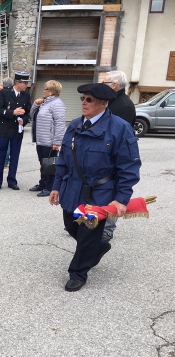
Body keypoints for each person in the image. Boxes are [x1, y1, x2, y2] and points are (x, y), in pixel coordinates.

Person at [49, 83, 141, 292]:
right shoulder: (74, 125)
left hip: (99, 193)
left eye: (89, 100)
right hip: (72, 189)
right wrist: (56, 186)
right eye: (82, 99)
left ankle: (78, 272)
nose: (83, 103)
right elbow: (63, 159)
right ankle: (98, 247)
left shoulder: (119, 128)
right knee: (72, 226)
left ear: (103, 103)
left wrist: (121, 199)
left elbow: (129, 167)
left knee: (88, 233)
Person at [101, 70, 137, 243]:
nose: (101, 86)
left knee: (112, 192)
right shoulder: (110, 102)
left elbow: (119, 135)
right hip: (103, 156)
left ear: (114, 86)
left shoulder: (123, 106)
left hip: (114, 158)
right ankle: (93, 220)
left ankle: (108, 228)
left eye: (104, 83)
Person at [0, 70, 32, 191]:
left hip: (17, 130)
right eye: (25, 83)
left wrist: (23, 120)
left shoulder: (26, 95)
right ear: (17, 82)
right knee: (1, 156)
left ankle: (12, 180)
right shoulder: (5, 93)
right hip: (4, 128)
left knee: (15, 156)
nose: (27, 85)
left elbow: (28, 112)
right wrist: (12, 112)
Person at [29, 80, 66, 197]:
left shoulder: (57, 104)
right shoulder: (45, 103)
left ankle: (50, 187)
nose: (43, 91)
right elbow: (31, 116)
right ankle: (43, 183)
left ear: (51, 92)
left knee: (50, 165)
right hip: (41, 139)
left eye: (45, 89)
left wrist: (57, 142)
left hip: (50, 141)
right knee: (43, 163)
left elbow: (60, 124)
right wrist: (35, 104)